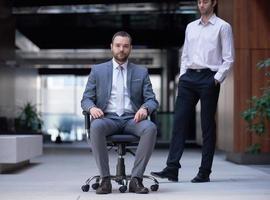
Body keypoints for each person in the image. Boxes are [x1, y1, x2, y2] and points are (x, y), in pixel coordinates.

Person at [151, 0, 234, 183]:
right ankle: (172, 169)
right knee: (179, 122)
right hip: (188, 79)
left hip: (209, 78)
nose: (201, 4)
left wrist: (216, 79)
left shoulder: (223, 27)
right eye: (199, 1)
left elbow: (228, 58)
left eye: (205, 1)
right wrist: (182, 76)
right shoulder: (191, 27)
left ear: (214, 3)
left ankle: (204, 172)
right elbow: (185, 53)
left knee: (207, 126)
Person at [81, 31, 158, 194]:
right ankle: (105, 180)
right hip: (107, 118)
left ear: (130, 48)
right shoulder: (98, 70)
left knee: (150, 128)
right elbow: (86, 99)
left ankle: (136, 180)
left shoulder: (141, 72)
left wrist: (145, 108)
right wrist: (92, 108)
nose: (121, 49)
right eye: (118, 45)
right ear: (111, 47)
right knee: (96, 127)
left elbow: (152, 100)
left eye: (125, 46)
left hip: (133, 120)